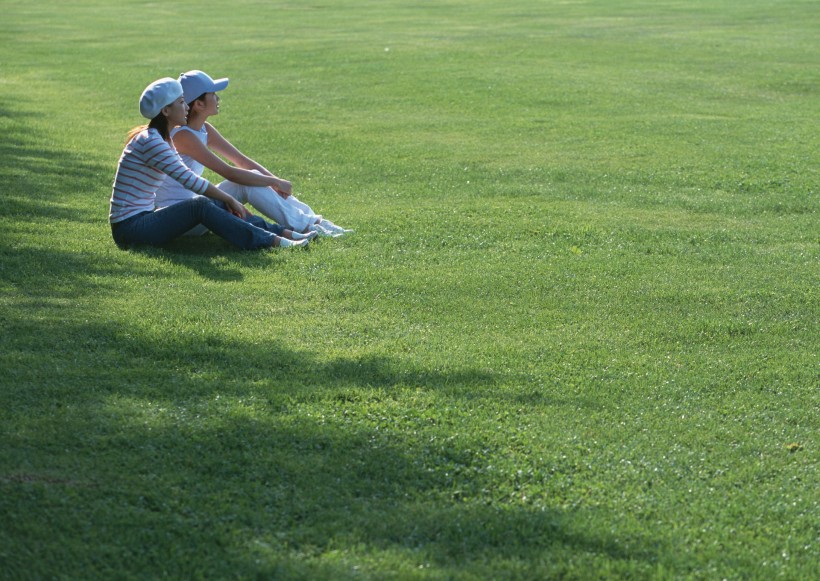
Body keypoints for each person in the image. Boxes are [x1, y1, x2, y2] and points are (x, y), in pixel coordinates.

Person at [110, 77, 313, 250]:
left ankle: (286, 233)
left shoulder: (161, 138)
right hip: (130, 229)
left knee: (208, 202)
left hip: (142, 220)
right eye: (181, 103)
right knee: (199, 205)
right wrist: (230, 200)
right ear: (165, 111)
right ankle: (273, 241)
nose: (187, 107)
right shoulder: (151, 141)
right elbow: (191, 181)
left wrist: (226, 199)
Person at [154, 70, 352, 237]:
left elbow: (241, 161)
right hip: (184, 219)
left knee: (256, 177)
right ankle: (307, 226)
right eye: (213, 93)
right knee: (250, 180)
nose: (218, 97)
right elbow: (230, 173)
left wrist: (275, 180)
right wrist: (273, 182)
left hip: (198, 205)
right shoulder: (182, 136)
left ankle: (316, 221)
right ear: (198, 104)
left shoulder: (205, 129)